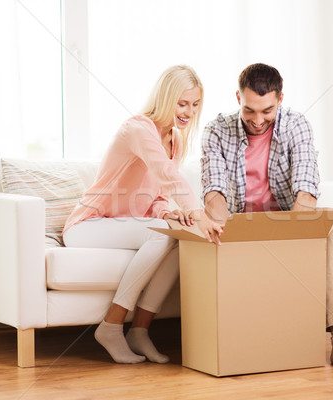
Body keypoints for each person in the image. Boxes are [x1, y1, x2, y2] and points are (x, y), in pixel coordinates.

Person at [201, 63, 333, 374]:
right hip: (240, 224)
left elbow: (306, 191)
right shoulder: (217, 130)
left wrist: (294, 244)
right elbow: (214, 191)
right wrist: (228, 234)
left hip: (283, 222)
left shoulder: (296, 125)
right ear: (237, 98)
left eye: (266, 111)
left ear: (280, 99)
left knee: (327, 230)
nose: (257, 120)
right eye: (249, 110)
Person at [63, 65, 222, 365]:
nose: (189, 112)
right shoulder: (138, 129)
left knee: (179, 237)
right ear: (166, 98)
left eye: (195, 105)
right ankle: (111, 326)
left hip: (123, 225)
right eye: (182, 103)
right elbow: (165, 175)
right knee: (158, 233)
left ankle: (139, 330)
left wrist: (174, 214)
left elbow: (157, 197)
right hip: (88, 224)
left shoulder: (175, 140)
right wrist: (198, 213)